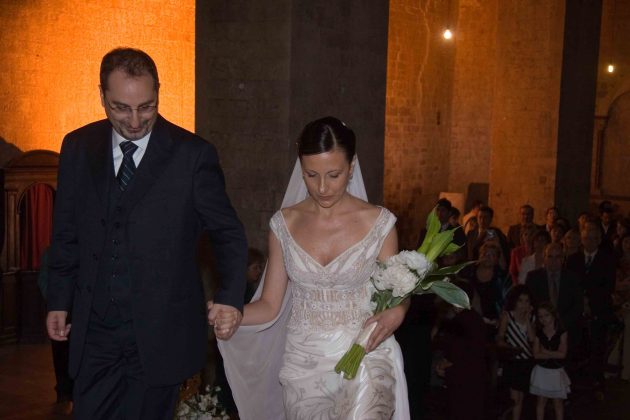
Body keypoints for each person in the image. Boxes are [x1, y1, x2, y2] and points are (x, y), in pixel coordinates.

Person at [45, 48, 248, 419]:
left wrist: (230, 298)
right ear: (101, 96)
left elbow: (228, 232)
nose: (135, 121)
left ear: (158, 93)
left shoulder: (192, 155)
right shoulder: (78, 146)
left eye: (146, 107)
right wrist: (59, 299)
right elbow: (66, 232)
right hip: (95, 332)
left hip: (160, 333)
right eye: (121, 108)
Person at [214, 117, 410, 419]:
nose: (322, 187)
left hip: (366, 352)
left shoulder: (380, 224)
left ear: (351, 166)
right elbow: (269, 305)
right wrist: (232, 311)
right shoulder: (284, 224)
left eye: (333, 175)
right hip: (304, 364)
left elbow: (397, 289)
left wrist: (400, 310)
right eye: (311, 174)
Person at [526, 243, 583, 350]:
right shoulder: (533, 277)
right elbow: (530, 303)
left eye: (558, 257)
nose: (554, 260)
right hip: (540, 329)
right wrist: (545, 323)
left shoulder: (573, 278)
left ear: (563, 259)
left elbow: (578, 306)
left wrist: (559, 325)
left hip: (567, 329)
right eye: (550, 256)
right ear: (544, 258)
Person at [496, 285, 535, 420]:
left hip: (526, 361)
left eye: (527, 301)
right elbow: (500, 338)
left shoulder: (532, 318)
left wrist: (528, 319)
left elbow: (532, 339)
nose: (524, 304)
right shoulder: (507, 316)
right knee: (514, 397)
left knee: (521, 396)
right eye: (520, 300)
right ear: (515, 301)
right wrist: (510, 348)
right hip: (512, 361)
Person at [530, 302, 571, 420]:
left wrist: (546, 352)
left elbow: (562, 354)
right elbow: (536, 355)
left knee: (558, 403)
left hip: (556, 371)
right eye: (540, 316)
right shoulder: (539, 333)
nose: (543, 319)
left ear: (553, 315)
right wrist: (553, 354)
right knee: (541, 402)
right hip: (542, 371)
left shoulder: (562, 332)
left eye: (546, 315)